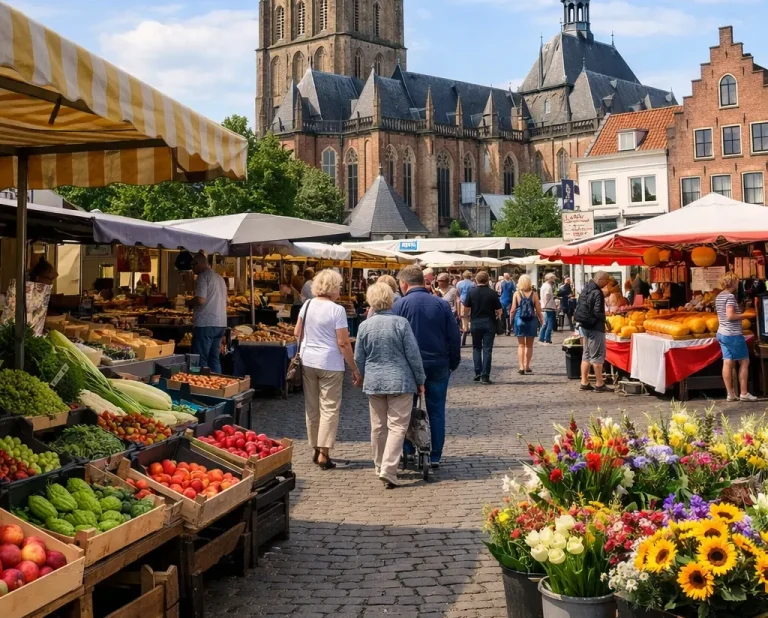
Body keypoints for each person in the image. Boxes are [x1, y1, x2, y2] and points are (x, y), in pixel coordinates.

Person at [355, 283, 426, 488]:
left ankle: (379, 465)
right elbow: (413, 355)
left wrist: (363, 375)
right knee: (397, 427)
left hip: (375, 382)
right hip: (400, 381)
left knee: (378, 426)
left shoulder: (364, 326)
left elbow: (360, 357)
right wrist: (420, 380)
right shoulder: (401, 323)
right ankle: (388, 468)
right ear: (391, 299)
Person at [394, 265, 461, 468]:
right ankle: (435, 454)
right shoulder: (440, 304)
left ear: (404, 283)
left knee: (405, 409)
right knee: (437, 410)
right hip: (438, 363)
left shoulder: (399, 306)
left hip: (408, 367)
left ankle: (408, 450)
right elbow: (454, 335)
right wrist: (453, 361)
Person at [294, 269, 361, 470]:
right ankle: (324, 453)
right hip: (330, 363)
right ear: (332, 288)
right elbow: (343, 342)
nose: (340, 290)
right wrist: (354, 368)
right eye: (339, 286)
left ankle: (315, 447)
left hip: (308, 361)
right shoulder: (336, 310)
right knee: (329, 408)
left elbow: (297, 332)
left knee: (312, 408)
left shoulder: (307, 305)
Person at [715, 271, 757, 402]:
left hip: (722, 333)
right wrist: (747, 315)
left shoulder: (719, 296)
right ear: (732, 282)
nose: (738, 283)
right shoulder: (730, 297)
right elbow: (730, 316)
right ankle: (744, 393)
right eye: (737, 281)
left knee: (727, 363)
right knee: (744, 362)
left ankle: (730, 394)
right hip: (733, 334)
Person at [190, 253, 227, 373]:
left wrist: (188, 302)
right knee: (214, 359)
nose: (192, 269)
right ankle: (217, 385)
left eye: (193, 265)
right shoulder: (219, 278)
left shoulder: (202, 277)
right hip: (220, 323)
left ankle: (202, 386)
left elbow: (201, 299)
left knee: (201, 359)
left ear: (199, 264)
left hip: (205, 323)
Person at [465, 271, 503, 384]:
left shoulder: (471, 292)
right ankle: (485, 376)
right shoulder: (492, 293)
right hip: (489, 323)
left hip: (475, 322)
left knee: (476, 348)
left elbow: (465, 308)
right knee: (487, 350)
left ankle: (478, 372)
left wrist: (466, 320)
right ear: (487, 280)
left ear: (476, 280)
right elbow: (499, 310)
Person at [575, 271, 610, 393]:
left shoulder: (586, 289)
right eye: (606, 281)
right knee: (597, 356)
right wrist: (605, 320)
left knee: (586, 354)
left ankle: (584, 382)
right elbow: (597, 312)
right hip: (595, 327)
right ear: (600, 279)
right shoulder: (597, 292)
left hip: (585, 326)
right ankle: (599, 383)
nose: (606, 284)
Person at [510, 274, 544, 375]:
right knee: (529, 345)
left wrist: (511, 320)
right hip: (531, 320)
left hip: (519, 319)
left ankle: (521, 366)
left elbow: (512, 309)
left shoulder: (516, 293)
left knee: (521, 345)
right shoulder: (534, 294)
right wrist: (541, 320)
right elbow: (538, 309)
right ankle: (527, 365)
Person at [457, 271, 475, 346]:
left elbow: (457, 293)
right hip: (472, 303)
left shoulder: (459, 283)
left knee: (464, 319)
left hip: (462, 302)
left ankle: (464, 334)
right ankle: (471, 332)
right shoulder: (473, 284)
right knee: (471, 318)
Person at [539, 273, 557, 345]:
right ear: (550, 279)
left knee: (545, 323)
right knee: (550, 324)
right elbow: (547, 296)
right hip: (549, 307)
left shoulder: (543, 285)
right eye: (553, 278)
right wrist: (546, 303)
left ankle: (541, 338)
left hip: (545, 306)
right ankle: (547, 338)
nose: (554, 280)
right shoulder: (548, 286)